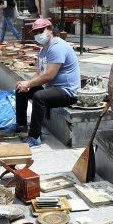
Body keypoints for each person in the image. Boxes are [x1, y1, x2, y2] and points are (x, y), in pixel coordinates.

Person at [15, 18, 80, 148]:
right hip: (53, 88)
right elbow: (39, 73)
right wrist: (27, 84)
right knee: (20, 91)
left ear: (50, 29)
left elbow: (49, 75)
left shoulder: (57, 47)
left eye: (41, 30)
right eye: (35, 32)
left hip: (67, 91)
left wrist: (28, 84)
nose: (38, 34)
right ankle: (21, 127)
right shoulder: (43, 50)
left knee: (39, 97)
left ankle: (34, 137)